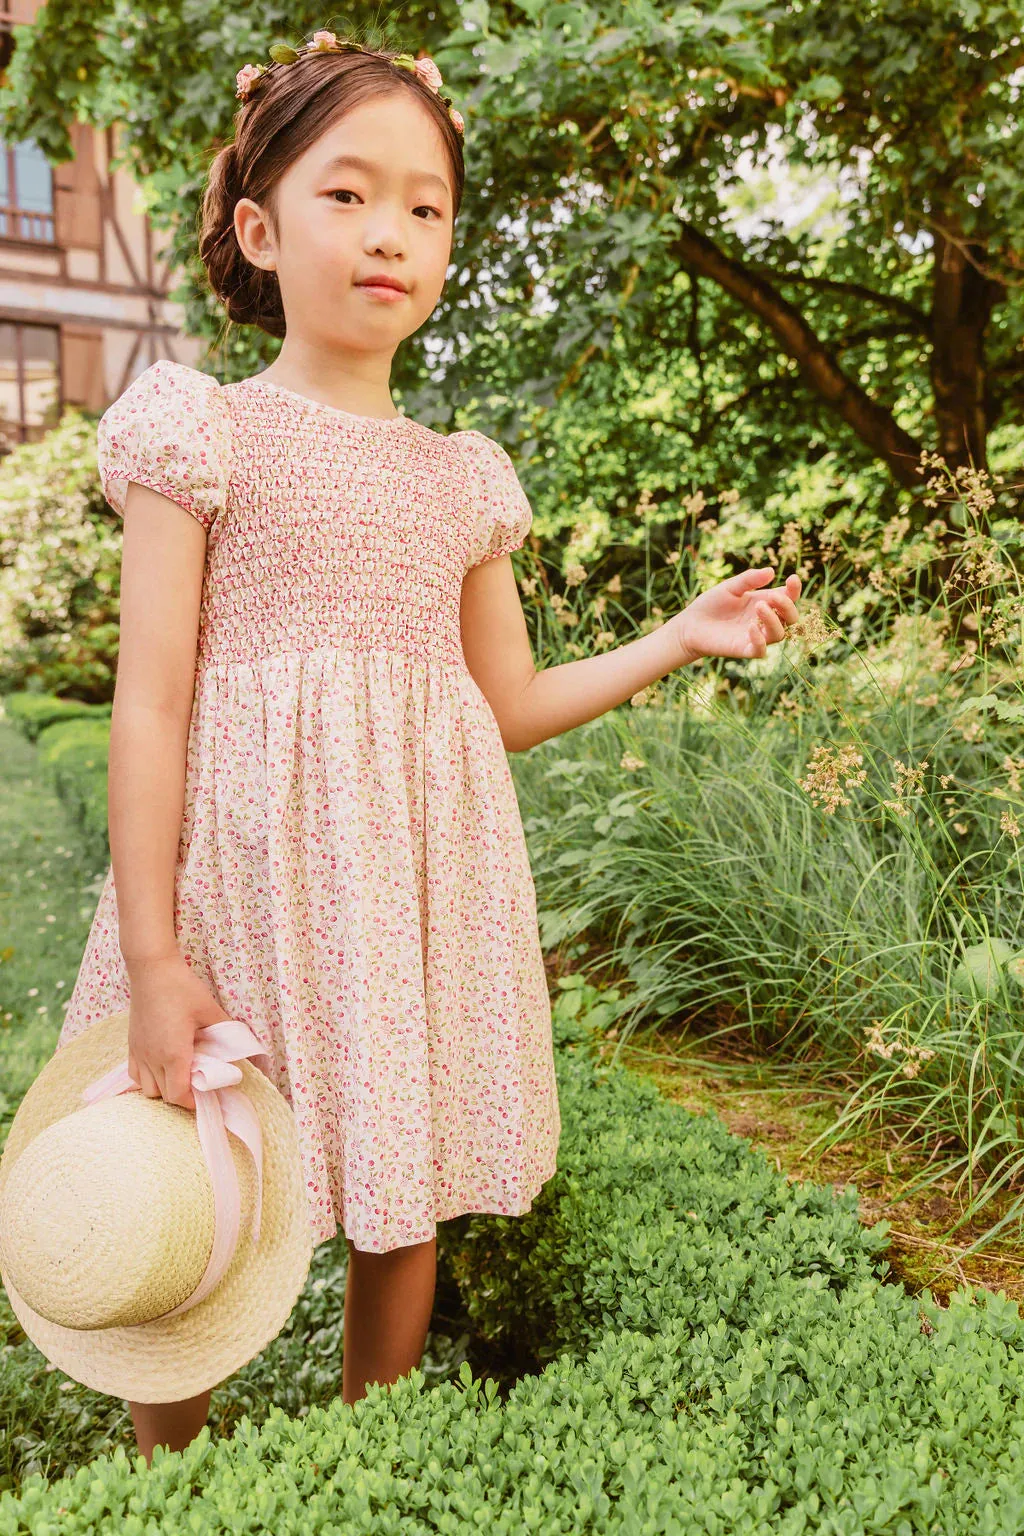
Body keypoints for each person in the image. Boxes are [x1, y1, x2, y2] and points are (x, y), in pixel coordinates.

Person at [56, 29, 801, 1465]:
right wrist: (156, 957)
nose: (389, 233)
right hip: (246, 885)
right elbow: (149, 704)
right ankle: (168, 1482)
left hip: (406, 892)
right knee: (191, 1179)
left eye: (425, 206)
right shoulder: (201, 431)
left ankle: (371, 1461)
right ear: (262, 229)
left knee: (404, 1188)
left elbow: (501, 702)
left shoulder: (466, 476)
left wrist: (674, 638)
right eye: (347, 196)